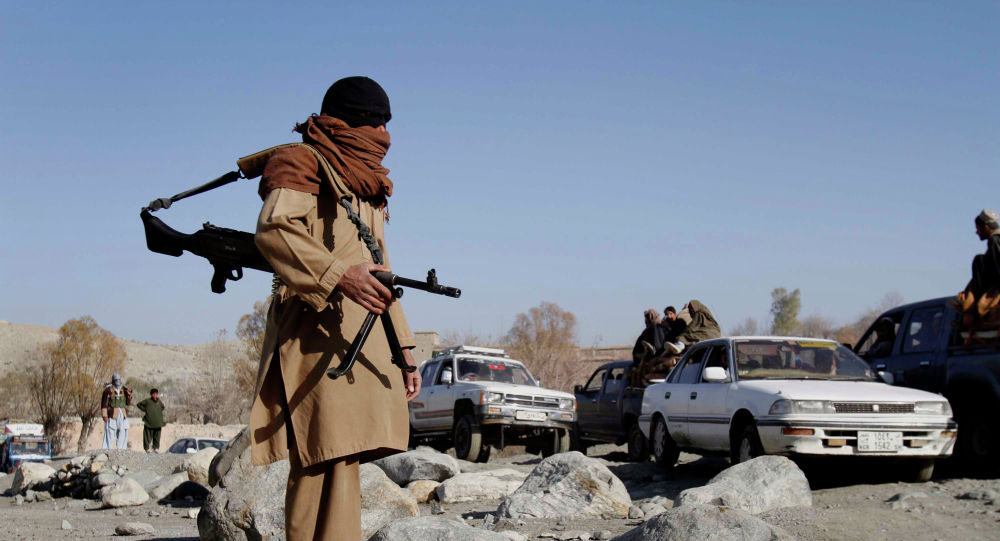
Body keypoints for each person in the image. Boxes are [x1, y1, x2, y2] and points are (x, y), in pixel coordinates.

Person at [248, 76, 421, 541]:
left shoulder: (367, 180)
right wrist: (338, 276)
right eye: (374, 122)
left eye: (387, 123)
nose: (384, 135)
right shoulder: (303, 161)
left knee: (343, 455)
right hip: (312, 331)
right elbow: (274, 229)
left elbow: (380, 269)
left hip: (360, 336)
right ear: (345, 122)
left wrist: (404, 350)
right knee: (319, 454)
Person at [959, 209, 1000, 316]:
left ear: (986, 227)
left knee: (978, 260)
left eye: (977, 228)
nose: (977, 232)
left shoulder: (994, 240)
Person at [101, 373, 132, 450]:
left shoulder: (124, 389)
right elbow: (104, 403)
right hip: (112, 413)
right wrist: (104, 415)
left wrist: (129, 395)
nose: (118, 381)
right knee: (110, 431)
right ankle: (107, 448)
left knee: (122, 430)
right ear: (113, 380)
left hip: (122, 413)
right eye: (116, 380)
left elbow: (128, 403)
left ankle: (121, 449)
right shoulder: (108, 390)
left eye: (119, 379)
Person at [136, 388, 166, 453]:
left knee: (157, 436)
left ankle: (156, 448)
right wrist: (145, 409)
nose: (155, 395)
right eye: (154, 394)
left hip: (158, 422)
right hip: (149, 422)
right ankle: (147, 448)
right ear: (151, 394)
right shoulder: (147, 401)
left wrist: (157, 412)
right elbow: (139, 404)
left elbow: (163, 407)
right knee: (147, 435)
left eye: (156, 394)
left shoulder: (159, 401)